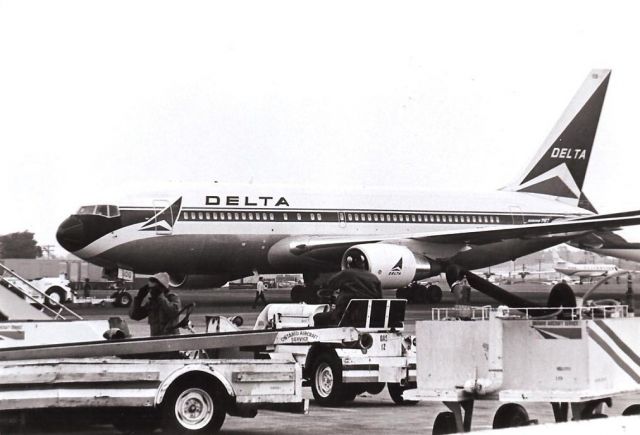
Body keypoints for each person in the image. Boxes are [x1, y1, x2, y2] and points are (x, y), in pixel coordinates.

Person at [313, 264, 383, 326]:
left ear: (349, 264)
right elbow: (379, 297)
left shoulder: (346, 273)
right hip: (370, 317)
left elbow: (330, 283)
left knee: (317, 317)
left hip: (347, 317)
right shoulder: (374, 277)